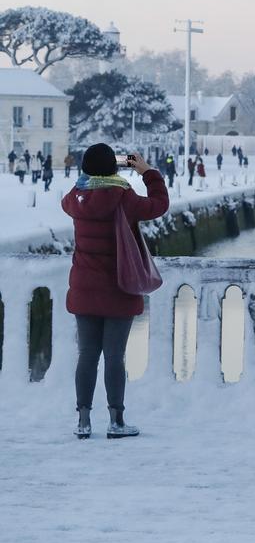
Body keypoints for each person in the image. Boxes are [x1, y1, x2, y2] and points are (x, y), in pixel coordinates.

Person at [61, 145, 169, 439]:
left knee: (86, 355)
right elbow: (159, 204)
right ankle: (116, 421)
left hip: (84, 290)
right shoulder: (123, 197)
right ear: (114, 168)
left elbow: (81, 185)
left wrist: (92, 172)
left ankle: (83, 421)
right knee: (114, 357)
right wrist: (145, 170)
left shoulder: (75, 199)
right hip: (119, 290)